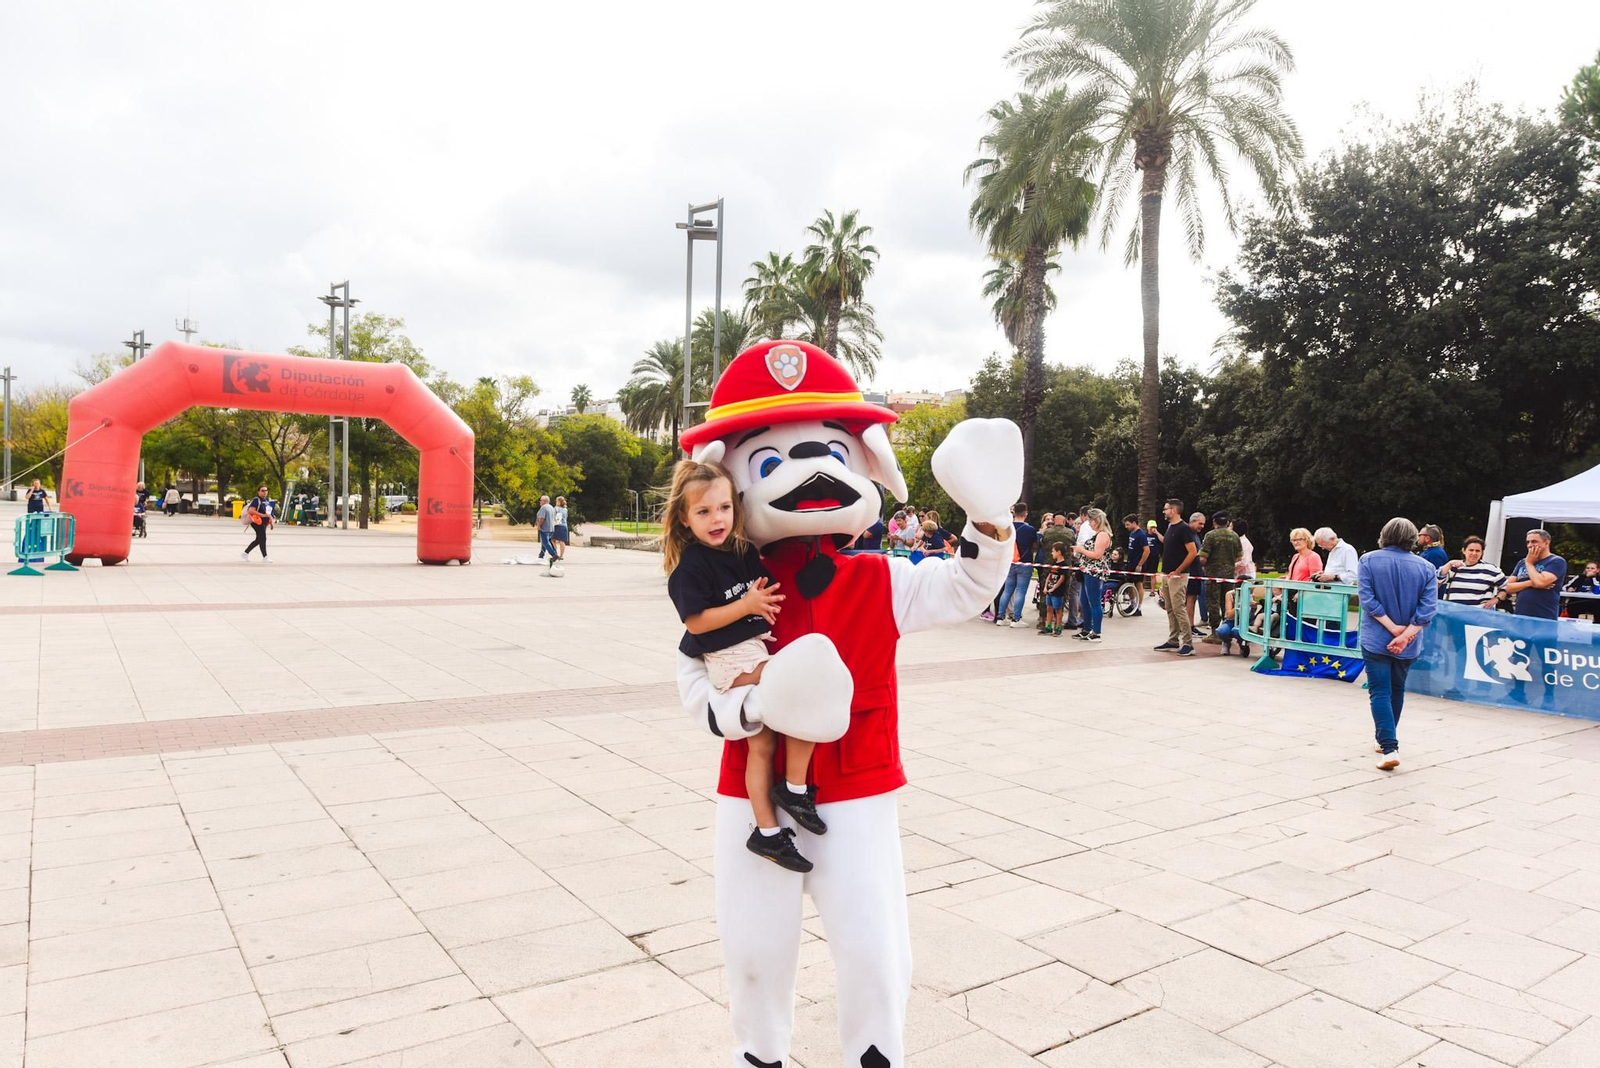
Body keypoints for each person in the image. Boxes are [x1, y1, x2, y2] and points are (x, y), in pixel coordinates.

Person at [663, 459, 820, 872]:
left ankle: (767, 834)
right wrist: (746, 606)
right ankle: (794, 789)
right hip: (728, 659)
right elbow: (696, 622)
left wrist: (762, 603)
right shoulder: (690, 568)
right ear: (685, 517)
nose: (716, 518)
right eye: (703, 511)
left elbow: (765, 589)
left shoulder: (743, 550)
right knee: (804, 687)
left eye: (724, 508)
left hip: (754, 649)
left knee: (764, 744)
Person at [1358, 517, 1439, 771]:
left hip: (1376, 637)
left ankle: (1389, 746)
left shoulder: (1368, 560)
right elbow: (1428, 609)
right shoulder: (1426, 567)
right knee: (1397, 689)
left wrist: (1393, 629)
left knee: (1379, 691)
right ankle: (1385, 740)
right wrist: (1405, 635)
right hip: (1409, 642)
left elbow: (1367, 600)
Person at [1156, 499, 1199, 656]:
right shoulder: (1170, 528)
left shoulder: (1184, 529)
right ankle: (1173, 639)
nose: (1164, 511)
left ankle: (1188, 643)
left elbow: (1193, 552)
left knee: (1179, 608)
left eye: (1166, 509)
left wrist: (1179, 570)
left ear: (1173, 510)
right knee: (1170, 608)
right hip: (1168, 574)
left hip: (1178, 576)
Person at [1198, 511, 1242, 642]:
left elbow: (1202, 558)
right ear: (1227, 522)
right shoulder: (1234, 536)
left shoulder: (1210, 535)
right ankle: (1226, 630)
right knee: (1227, 602)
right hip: (1229, 575)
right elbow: (1240, 556)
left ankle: (1215, 632)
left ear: (1214, 522)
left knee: (1213, 602)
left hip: (1213, 575)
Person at [1505, 528, 1567, 619]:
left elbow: (1540, 582)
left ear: (1546, 543)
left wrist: (1529, 564)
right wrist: (1530, 583)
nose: (1530, 545)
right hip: (1521, 615)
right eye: (1528, 542)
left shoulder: (1557, 561)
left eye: (1534, 541)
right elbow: (1508, 587)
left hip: (1544, 615)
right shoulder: (1522, 562)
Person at [1072, 507, 1113, 642]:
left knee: (1094, 602)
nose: (1089, 523)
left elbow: (1097, 555)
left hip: (1095, 572)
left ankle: (1096, 632)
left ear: (1097, 520)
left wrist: (1081, 550)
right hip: (1087, 570)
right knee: (1084, 601)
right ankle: (1087, 629)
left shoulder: (1102, 535)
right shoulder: (1097, 534)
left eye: (1091, 521)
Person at [996, 503, 1038, 627]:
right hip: (1025, 563)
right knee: (1021, 591)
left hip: (1010, 561)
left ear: (1013, 513)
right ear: (1026, 514)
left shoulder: (1007, 528)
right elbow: (1035, 545)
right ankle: (1016, 618)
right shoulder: (1030, 529)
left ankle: (1000, 616)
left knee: (1007, 590)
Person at [1438, 535, 1506, 608]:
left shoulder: (1491, 569)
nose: (1474, 553)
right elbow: (1438, 580)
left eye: (1477, 551)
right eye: (1471, 550)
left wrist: (1496, 599)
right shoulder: (1454, 568)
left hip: (1479, 615)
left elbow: (1507, 587)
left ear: (1482, 552)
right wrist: (1449, 564)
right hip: (1454, 614)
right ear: (1464, 550)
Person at [1185, 512, 1209, 636]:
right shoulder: (1188, 534)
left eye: (1203, 524)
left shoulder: (1195, 535)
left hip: (1196, 571)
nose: (1202, 526)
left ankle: (1188, 625)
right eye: (1200, 523)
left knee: (1191, 599)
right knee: (1190, 599)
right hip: (1190, 572)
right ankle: (1189, 626)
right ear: (1192, 521)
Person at [1125, 515, 1152, 615]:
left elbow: (1147, 550)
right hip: (1131, 563)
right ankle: (1132, 604)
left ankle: (1139, 608)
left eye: (1128, 524)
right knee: (1129, 584)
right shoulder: (1132, 533)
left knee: (1138, 584)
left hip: (1138, 564)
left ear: (1134, 523)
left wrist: (1140, 564)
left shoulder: (1141, 535)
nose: (1126, 526)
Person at [1039, 542, 1068, 636]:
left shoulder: (1064, 565)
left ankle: (1058, 627)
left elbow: (1062, 578)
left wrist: (1054, 588)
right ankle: (1048, 627)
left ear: (1059, 552)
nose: (1052, 553)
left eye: (1053, 551)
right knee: (1049, 608)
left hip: (1057, 591)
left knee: (1058, 609)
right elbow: (1050, 575)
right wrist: (1045, 586)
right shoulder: (1054, 563)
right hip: (1049, 590)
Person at [240, 485, 274, 562]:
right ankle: (265, 557)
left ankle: (245, 553)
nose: (265, 492)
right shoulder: (256, 499)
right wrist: (262, 515)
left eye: (266, 490)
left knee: (259, 539)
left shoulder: (267, 500)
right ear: (258, 492)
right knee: (263, 538)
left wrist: (271, 522)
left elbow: (268, 513)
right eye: (262, 490)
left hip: (264, 522)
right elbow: (251, 510)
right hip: (257, 521)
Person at [534, 495, 556, 567]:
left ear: (545, 501)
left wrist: (539, 525)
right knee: (547, 542)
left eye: (541, 500)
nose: (540, 501)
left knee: (545, 542)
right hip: (551, 528)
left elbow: (542, 518)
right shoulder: (551, 507)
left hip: (545, 528)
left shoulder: (543, 507)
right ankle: (541, 555)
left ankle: (554, 554)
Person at [551, 496, 570, 563]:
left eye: (556, 501)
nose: (556, 502)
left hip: (557, 526)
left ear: (559, 502)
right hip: (564, 526)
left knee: (553, 540)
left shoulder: (555, 508)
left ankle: (555, 553)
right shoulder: (565, 510)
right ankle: (561, 556)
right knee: (562, 541)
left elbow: (552, 517)